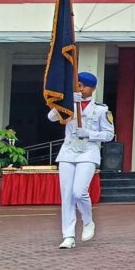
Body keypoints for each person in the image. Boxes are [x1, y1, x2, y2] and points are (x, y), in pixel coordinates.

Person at [49, 71, 114, 249]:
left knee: (79, 191)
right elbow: (51, 117)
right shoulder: (69, 104)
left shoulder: (101, 109)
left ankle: (87, 221)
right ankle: (68, 235)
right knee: (67, 194)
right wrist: (67, 102)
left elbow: (109, 135)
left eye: (84, 85)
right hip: (68, 152)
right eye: (78, 85)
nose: (81, 88)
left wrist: (90, 134)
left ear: (93, 88)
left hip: (88, 152)